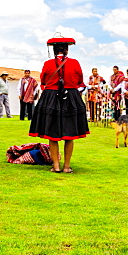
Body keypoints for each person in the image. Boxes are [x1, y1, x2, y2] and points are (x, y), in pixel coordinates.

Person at [29, 36, 89, 173]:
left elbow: (43, 79)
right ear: (67, 50)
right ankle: (66, 167)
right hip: (71, 98)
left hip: (51, 98)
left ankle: (56, 166)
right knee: (70, 135)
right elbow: (80, 79)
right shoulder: (75, 63)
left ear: (55, 50)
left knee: (52, 134)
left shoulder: (48, 63)